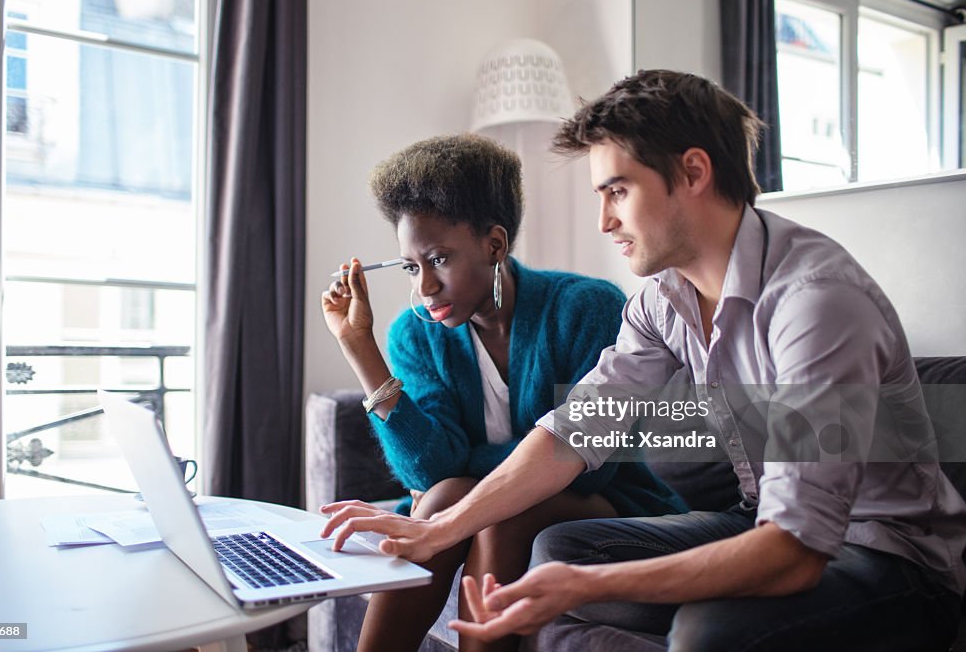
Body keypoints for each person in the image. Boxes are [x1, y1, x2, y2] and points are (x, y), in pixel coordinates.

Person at [321, 72, 966, 651]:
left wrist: (577, 589)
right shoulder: (662, 300)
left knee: (704, 631)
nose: (604, 221)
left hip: (884, 557)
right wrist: (442, 526)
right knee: (559, 546)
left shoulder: (815, 304)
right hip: (756, 516)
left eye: (617, 192)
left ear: (692, 172)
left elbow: (798, 548)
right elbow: (576, 432)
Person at [320, 133, 685, 652]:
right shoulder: (416, 332)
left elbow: (589, 464)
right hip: (482, 499)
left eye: (439, 259)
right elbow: (431, 470)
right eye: (410, 266)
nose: (424, 287)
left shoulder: (585, 308)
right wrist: (360, 348)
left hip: (607, 503)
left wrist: (468, 465)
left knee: (498, 511)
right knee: (447, 494)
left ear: (494, 244)